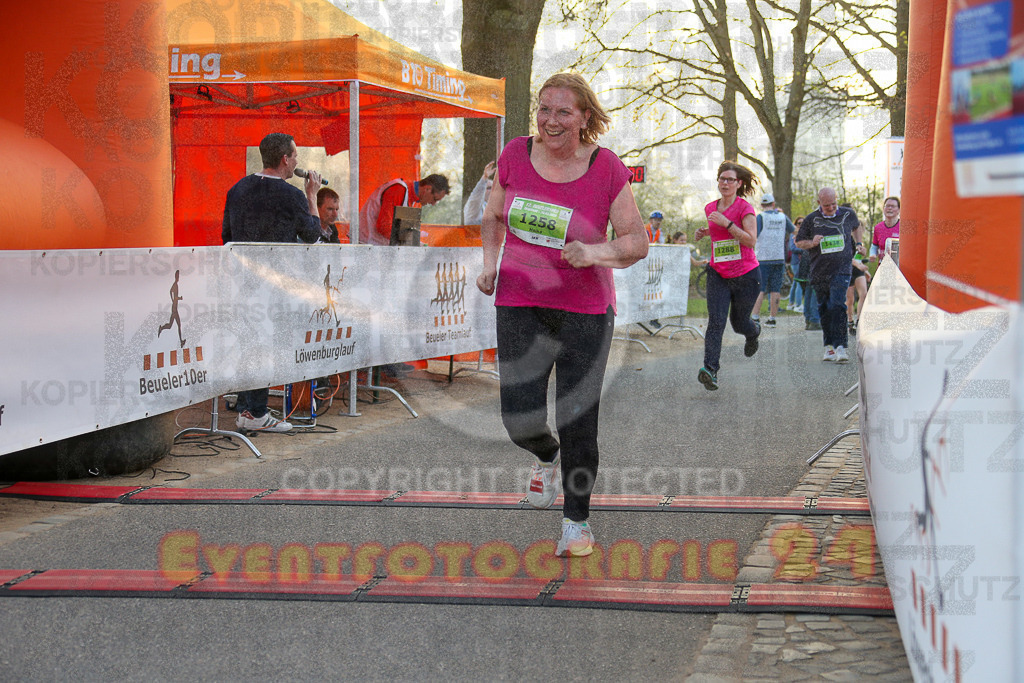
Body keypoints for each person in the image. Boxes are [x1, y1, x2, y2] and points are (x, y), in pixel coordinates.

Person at [476, 73, 648, 558]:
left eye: (563, 112)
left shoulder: (606, 167)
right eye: (544, 110)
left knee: (578, 418)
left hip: (585, 309)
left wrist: (594, 253)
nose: (551, 121)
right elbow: (492, 215)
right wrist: (490, 265)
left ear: (584, 118)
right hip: (519, 301)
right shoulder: (513, 154)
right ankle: (545, 456)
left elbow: (636, 241)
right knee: (519, 417)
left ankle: (577, 522)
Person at [222, 132, 323, 432]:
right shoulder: (291, 195)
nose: (296, 163)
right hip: (274, 284)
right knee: (265, 347)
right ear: (284, 159)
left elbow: (227, 236)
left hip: (242, 281)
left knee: (248, 345)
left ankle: (247, 410)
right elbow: (314, 236)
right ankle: (256, 413)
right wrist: (312, 196)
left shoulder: (237, 189)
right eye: (295, 157)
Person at [693, 161, 762, 390]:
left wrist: (727, 223)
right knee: (716, 322)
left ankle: (753, 332)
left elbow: (750, 240)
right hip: (718, 273)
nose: (725, 183)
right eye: (722, 179)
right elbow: (719, 235)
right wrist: (705, 232)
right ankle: (710, 370)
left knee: (739, 323)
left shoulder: (745, 209)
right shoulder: (710, 208)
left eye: (730, 179)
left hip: (746, 275)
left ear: (738, 183)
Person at [795, 187, 862, 364]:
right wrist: (812, 242)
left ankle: (841, 346)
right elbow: (799, 242)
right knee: (824, 307)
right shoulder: (811, 219)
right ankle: (829, 347)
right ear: (819, 203)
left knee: (838, 304)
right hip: (819, 271)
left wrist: (860, 242)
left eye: (833, 204)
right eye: (827, 206)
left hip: (842, 268)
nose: (831, 208)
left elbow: (857, 226)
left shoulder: (847, 214)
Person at [358, 173, 450, 245]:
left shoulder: (414, 200)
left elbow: (403, 232)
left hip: (377, 246)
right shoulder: (398, 189)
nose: (433, 204)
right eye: (435, 199)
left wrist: (414, 240)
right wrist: (412, 240)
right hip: (366, 245)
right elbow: (384, 227)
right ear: (427, 189)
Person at [750, 193, 795, 327]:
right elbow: (793, 230)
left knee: (760, 288)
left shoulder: (761, 217)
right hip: (779, 257)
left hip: (763, 257)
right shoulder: (782, 217)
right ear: (774, 204)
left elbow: (754, 235)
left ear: (762, 205)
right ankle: (772, 319)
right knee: (776, 289)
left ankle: (755, 317)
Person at [645, 210, 666, 329]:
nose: (658, 222)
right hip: (643, 263)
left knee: (655, 290)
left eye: (659, 220)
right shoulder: (645, 229)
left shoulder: (658, 232)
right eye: (656, 220)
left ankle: (654, 318)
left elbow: (661, 245)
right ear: (651, 220)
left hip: (652, 265)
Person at [847, 230, 871, 334]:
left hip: (858, 271)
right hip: (847, 270)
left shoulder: (858, 242)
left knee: (864, 294)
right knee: (850, 299)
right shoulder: (844, 239)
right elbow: (848, 259)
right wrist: (859, 266)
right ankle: (850, 320)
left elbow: (860, 257)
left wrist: (863, 251)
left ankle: (859, 321)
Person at [463, 161, 495, 225]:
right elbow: (476, 198)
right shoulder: (474, 208)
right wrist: (484, 178)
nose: (492, 191)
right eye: (489, 188)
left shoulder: (494, 208)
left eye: (493, 188)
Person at [870, 196, 900, 263]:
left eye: (893, 206)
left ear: (898, 210)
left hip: (899, 266)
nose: (889, 208)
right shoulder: (878, 227)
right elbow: (874, 246)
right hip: (883, 265)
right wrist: (872, 254)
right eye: (887, 206)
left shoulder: (903, 227)